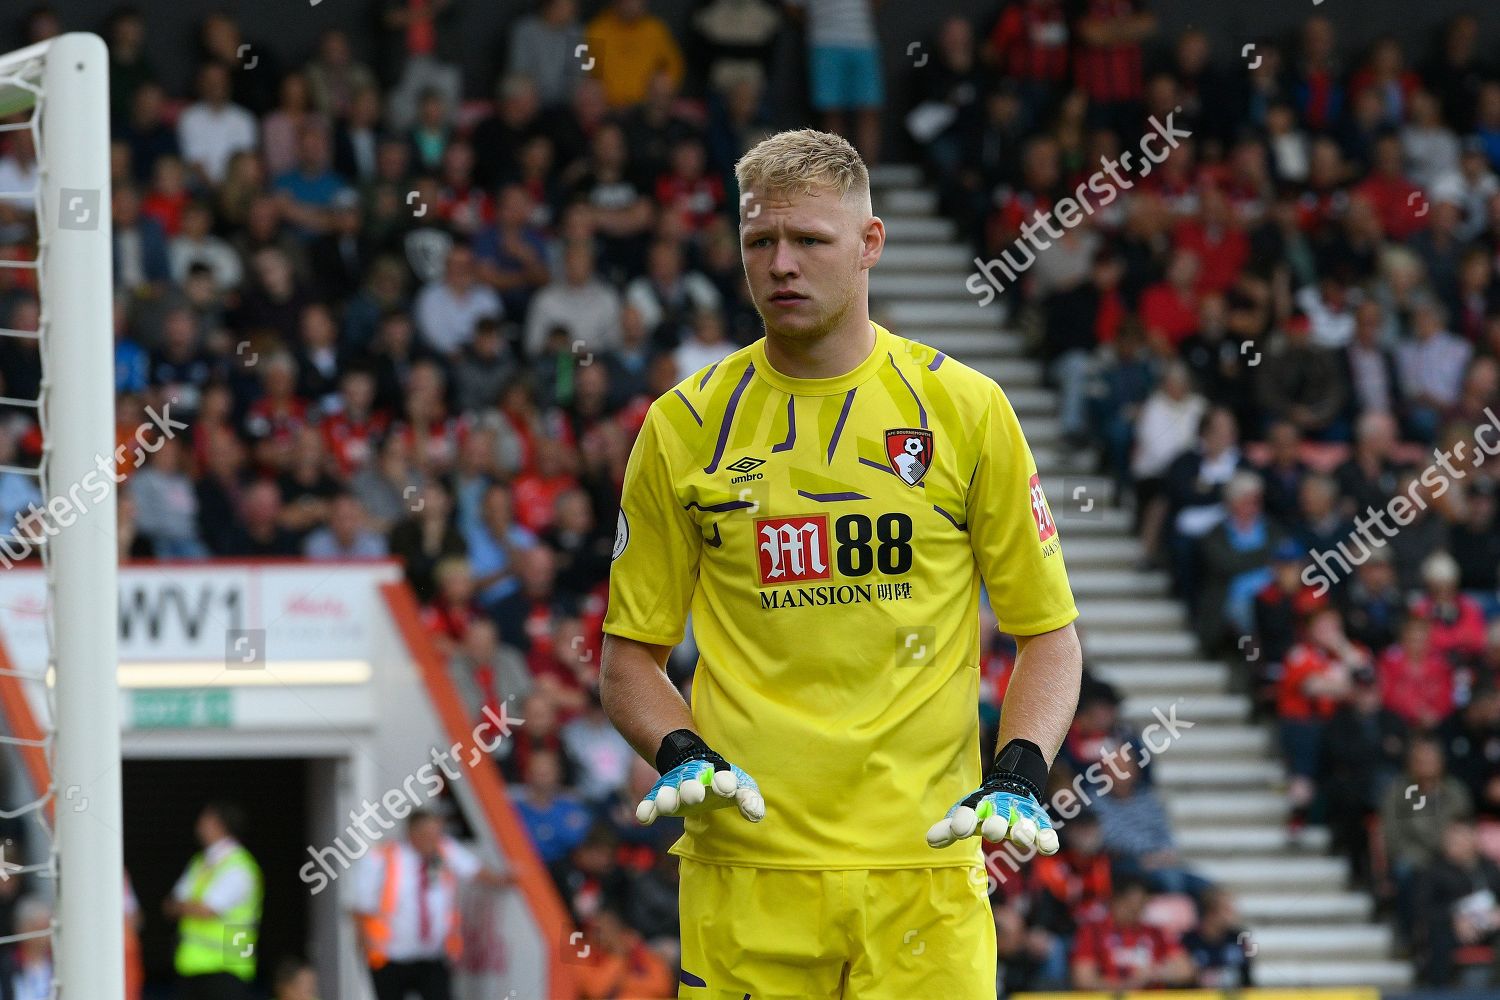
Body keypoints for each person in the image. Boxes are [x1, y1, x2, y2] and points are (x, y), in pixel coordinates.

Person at [600, 129, 1081, 999]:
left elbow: (1048, 635)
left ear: (869, 244)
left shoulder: (967, 411)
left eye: (810, 241)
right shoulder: (681, 427)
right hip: (745, 869)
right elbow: (628, 657)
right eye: (760, 242)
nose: (781, 264)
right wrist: (679, 751)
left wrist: (1019, 774)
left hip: (924, 870)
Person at [353, 809, 511, 1000]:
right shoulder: (382, 857)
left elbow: (473, 869)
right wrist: (363, 945)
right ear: (412, 833)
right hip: (391, 956)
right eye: (428, 834)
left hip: (432, 955)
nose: (433, 840)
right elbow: (361, 906)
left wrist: (505, 880)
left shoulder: (444, 851)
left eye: (437, 834)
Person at [163, 802, 263, 1000]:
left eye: (205, 820)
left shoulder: (239, 866)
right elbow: (169, 906)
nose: (199, 825)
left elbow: (208, 909)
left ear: (219, 825)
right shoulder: (200, 862)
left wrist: (185, 906)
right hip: (191, 966)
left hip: (228, 968)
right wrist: (189, 907)